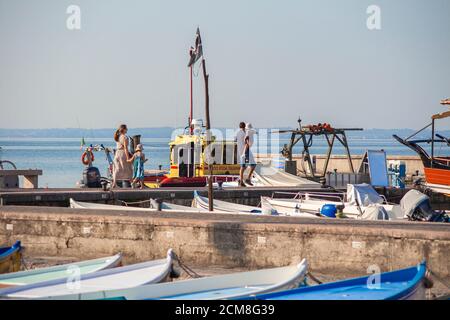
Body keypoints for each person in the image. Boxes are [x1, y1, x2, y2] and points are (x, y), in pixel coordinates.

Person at [236, 122, 247, 187]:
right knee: (243, 167)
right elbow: (246, 142)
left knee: (243, 166)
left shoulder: (237, 132)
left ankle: (240, 179)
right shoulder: (244, 133)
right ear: (244, 127)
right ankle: (240, 180)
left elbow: (234, 139)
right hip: (243, 152)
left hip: (239, 151)